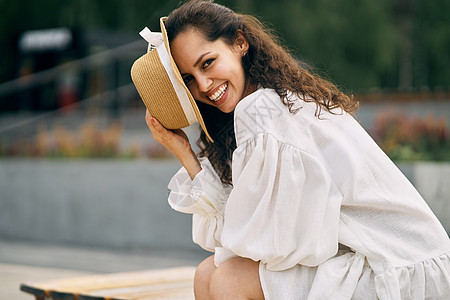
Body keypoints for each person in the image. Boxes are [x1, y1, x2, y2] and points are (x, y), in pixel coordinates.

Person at [141, 0, 450, 299]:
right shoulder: (274, 99)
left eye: (207, 63)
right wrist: (183, 151)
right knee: (209, 273)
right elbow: (250, 234)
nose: (205, 85)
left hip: (399, 270)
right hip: (392, 261)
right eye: (189, 80)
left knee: (228, 279)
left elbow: (263, 243)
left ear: (239, 43)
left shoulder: (264, 110)